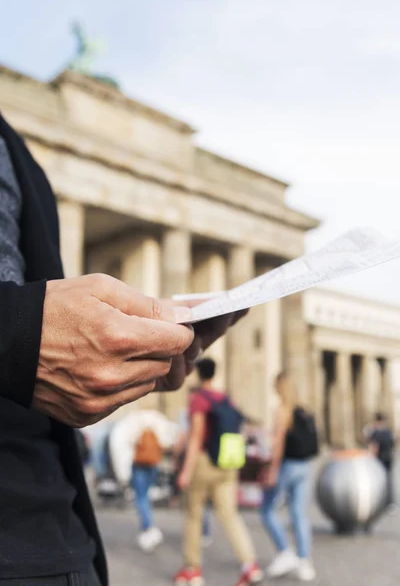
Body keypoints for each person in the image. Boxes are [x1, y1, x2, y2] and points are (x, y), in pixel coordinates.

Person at [0, 112, 246, 585]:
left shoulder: (20, 154)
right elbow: (29, 327)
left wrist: (136, 357)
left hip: (57, 539)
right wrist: (17, 334)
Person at [174, 358, 263, 586]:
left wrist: (185, 470)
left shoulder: (199, 400)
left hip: (204, 462)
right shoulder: (225, 398)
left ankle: (192, 571)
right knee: (230, 515)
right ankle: (250, 565)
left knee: (194, 515)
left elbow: (195, 437)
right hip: (227, 462)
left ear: (198, 373)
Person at [260, 372, 317, 582]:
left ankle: (285, 552)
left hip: (287, 466)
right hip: (305, 466)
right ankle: (305, 561)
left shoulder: (282, 411)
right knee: (299, 513)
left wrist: (272, 470)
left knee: (267, 509)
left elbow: (278, 445)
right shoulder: (305, 410)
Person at [110, 409, 179, 551]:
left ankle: (148, 528)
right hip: (153, 463)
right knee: (145, 495)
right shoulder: (157, 417)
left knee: (140, 497)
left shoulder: (134, 418)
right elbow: (167, 439)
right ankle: (148, 527)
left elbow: (125, 440)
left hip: (139, 463)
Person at [173, 387, 213, 546]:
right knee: (203, 500)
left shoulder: (190, 412)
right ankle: (205, 532)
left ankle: (195, 536)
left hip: (195, 460)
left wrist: (184, 469)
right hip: (208, 458)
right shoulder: (208, 411)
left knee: (193, 502)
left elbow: (188, 438)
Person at [367, 412, 396, 511]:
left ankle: (378, 502)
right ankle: (389, 503)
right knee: (387, 480)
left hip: (379, 459)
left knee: (377, 481)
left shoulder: (375, 432)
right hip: (388, 458)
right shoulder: (388, 431)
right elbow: (393, 444)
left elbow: (373, 447)